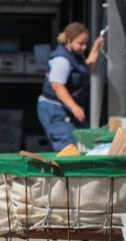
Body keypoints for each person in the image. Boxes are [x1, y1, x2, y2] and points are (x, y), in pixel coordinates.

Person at [37, 22, 103, 151]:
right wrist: (75, 107)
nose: (84, 47)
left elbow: (87, 68)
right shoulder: (62, 59)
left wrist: (96, 48)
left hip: (67, 109)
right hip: (55, 109)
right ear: (69, 40)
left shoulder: (76, 56)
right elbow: (57, 86)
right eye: (80, 43)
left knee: (86, 141)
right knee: (68, 146)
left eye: (86, 44)